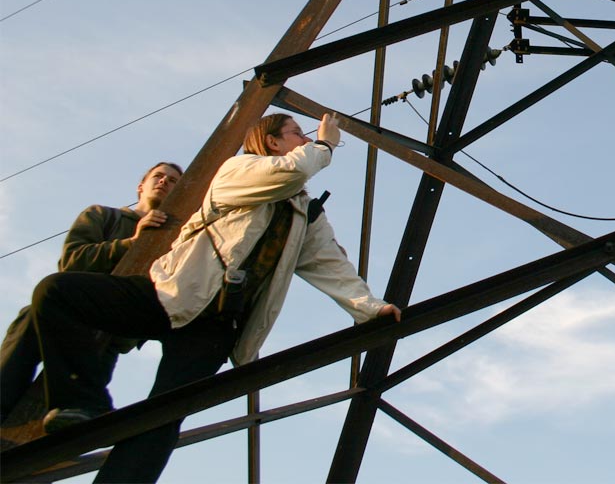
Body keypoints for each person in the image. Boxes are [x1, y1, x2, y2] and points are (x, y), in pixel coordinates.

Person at [26, 112, 400, 483]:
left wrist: (371, 308)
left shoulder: (304, 212)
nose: (305, 140)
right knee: (57, 293)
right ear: (272, 142)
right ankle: (81, 400)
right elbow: (290, 173)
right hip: (173, 293)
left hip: (219, 323)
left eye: (306, 137)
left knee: (162, 416)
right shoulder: (239, 170)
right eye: (296, 134)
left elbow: (329, 264)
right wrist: (324, 144)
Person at [0, 162, 182, 422]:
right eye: (159, 176)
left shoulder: (177, 237)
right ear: (141, 186)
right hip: (69, 312)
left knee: (72, 419)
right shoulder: (103, 216)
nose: (164, 181)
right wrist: (130, 244)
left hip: (110, 334)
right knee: (31, 316)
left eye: (173, 181)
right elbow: (71, 263)